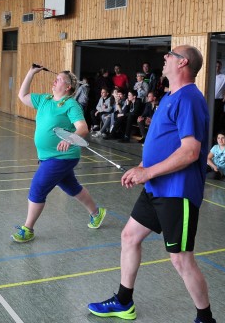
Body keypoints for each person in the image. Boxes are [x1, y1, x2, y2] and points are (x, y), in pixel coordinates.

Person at [88, 45, 216, 323]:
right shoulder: (169, 96)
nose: (165, 57)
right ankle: (124, 301)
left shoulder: (190, 99)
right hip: (156, 186)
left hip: (177, 191)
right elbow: (164, 143)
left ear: (183, 63)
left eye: (171, 54)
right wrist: (142, 168)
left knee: (180, 258)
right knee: (129, 237)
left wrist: (147, 172)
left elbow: (190, 152)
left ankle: (205, 319)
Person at [12, 65, 106, 243]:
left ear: (68, 86)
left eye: (59, 79)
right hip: (48, 156)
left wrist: (70, 139)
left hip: (62, 156)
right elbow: (22, 96)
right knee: (72, 187)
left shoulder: (71, 105)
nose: (55, 80)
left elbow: (82, 128)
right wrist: (31, 73)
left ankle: (28, 229)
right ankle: (96, 213)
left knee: (38, 188)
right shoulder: (45, 99)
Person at [213, 60, 225, 137]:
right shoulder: (209, 75)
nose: (217, 68)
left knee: (217, 119)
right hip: (208, 100)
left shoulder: (224, 77)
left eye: (219, 66)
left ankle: (215, 136)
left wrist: (223, 101)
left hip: (218, 101)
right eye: (216, 66)